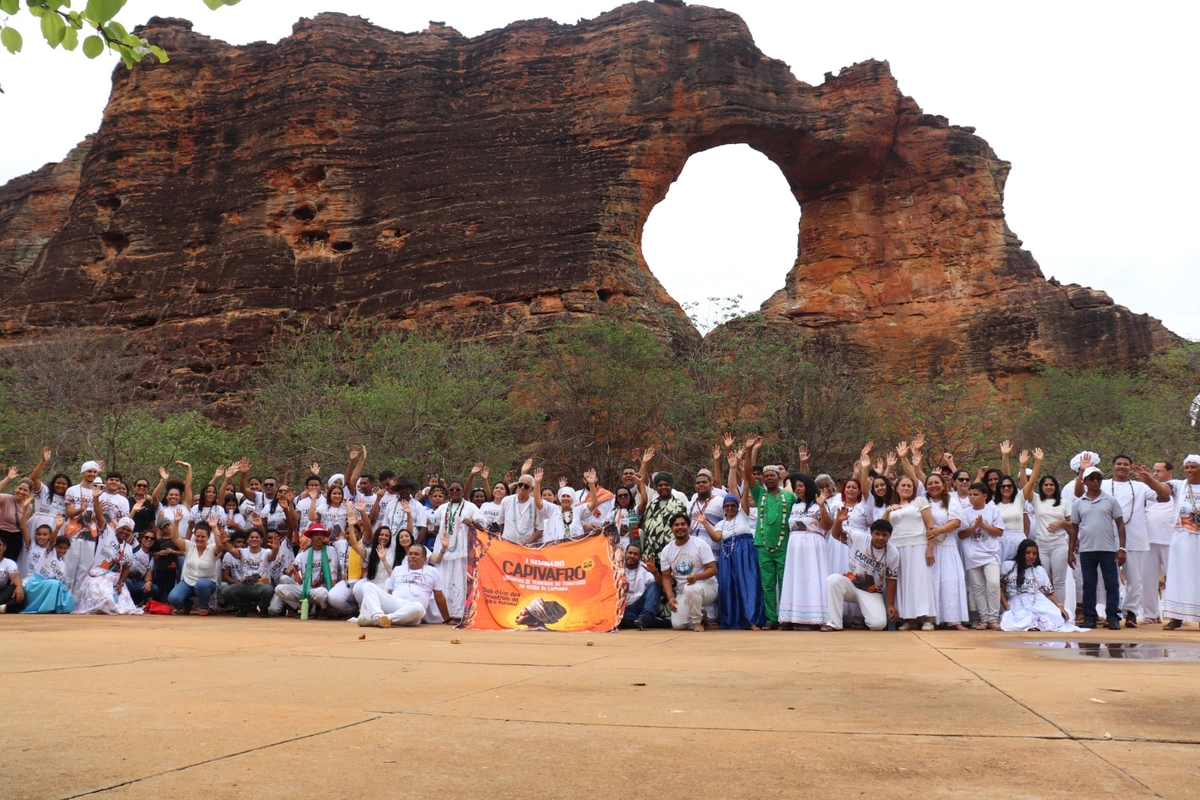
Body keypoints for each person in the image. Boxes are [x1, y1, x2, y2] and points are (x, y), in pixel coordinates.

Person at [1101, 455, 1170, 628]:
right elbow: (1081, 494)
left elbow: (1164, 497)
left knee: (1135, 579)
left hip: (1135, 538)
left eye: (1126, 464)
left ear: (1131, 468)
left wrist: (1149, 480)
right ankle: (1112, 612)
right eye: (1119, 464)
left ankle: (1130, 612)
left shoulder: (1140, 486)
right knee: (1109, 579)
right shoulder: (1102, 485)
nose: (1122, 467)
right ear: (1112, 466)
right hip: (1108, 538)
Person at [694, 483, 764, 631]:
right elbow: (715, 537)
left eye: (733, 505)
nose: (730, 508)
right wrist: (704, 522)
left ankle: (751, 621)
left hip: (746, 556)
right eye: (727, 506)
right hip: (728, 558)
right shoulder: (721, 523)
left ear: (737, 506)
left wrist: (745, 477)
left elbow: (745, 494)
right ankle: (732, 619)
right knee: (730, 587)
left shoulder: (743, 516)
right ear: (723, 508)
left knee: (748, 586)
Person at [743, 436, 795, 630]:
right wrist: (749, 450)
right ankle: (772, 619)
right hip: (763, 546)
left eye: (773, 475)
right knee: (767, 584)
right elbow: (748, 472)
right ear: (763, 479)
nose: (769, 478)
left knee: (784, 582)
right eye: (766, 476)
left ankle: (786, 618)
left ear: (778, 477)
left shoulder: (789, 496)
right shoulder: (759, 494)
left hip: (784, 546)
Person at [1072, 459, 1127, 630]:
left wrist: (1122, 549)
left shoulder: (1110, 501)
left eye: (1098, 479)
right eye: (1092, 478)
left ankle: (1113, 617)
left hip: (1108, 549)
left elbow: (1120, 524)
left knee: (1111, 584)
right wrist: (1069, 551)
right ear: (1085, 481)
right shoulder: (1079, 503)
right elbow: (1074, 529)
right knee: (1089, 584)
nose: (1095, 481)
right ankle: (1090, 617)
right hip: (1087, 550)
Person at [823, 519, 899, 632]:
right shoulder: (859, 537)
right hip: (851, 584)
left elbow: (891, 579)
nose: (880, 538)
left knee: (878, 625)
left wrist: (891, 605)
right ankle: (834, 623)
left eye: (884, 535)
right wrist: (838, 520)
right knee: (833, 580)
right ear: (871, 533)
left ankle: (868, 615)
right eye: (877, 534)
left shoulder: (893, 553)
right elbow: (836, 534)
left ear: (890, 536)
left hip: (871, 591)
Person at [883, 474, 936, 631]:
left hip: (918, 546)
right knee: (904, 583)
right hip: (897, 548)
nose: (906, 488)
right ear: (897, 488)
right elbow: (882, 527)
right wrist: (887, 511)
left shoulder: (920, 501)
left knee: (920, 581)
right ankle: (910, 619)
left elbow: (930, 526)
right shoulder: (892, 506)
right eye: (903, 485)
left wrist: (930, 548)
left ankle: (928, 619)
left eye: (909, 486)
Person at [778, 474, 829, 630]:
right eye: (796, 486)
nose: (797, 488)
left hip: (813, 545)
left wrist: (821, 506)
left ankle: (816, 618)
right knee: (797, 580)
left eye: (801, 485)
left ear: (808, 486)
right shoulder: (794, 506)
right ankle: (795, 618)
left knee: (813, 579)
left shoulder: (818, 504)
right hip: (795, 547)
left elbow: (828, 526)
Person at [358, 543, 452, 627]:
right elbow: (389, 593)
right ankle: (378, 617)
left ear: (425, 558)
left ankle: (384, 619)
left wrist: (447, 619)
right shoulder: (398, 569)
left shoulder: (432, 571)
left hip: (412, 612)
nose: (412, 556)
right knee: (367, 586)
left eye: (416, 554)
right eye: (410, 554)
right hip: (395, 604)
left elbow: (439, 597)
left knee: (418, 607)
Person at [1023, 448, 1073, 606]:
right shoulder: (1037, 500)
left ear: (1056, 487)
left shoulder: (1064, 503)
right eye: (1046, 485)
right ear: (1041, 487)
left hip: (1059, 544)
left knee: (1058, 581)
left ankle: (1061, 611)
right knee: (1042, 579)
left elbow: (1072, 526)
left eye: (1052, 485)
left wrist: (1061, 523)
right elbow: (1026, 486)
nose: (1049, 487)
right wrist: (1032, 463)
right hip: (1041, 546)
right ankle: (1045, 610)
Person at [428, 481, 484, 619]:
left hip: (462, 550)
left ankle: (459, 613)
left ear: (462, 491)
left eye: (457, 489)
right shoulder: (442, 508)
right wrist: (430, 523)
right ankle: (440, 615)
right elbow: (433, 527)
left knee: (460, 581)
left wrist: (472, 522)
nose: (454, 492)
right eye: (452, 489)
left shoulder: (470, 507)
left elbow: (482, 525)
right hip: (444, 549)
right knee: (442, 579)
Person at [999, 539, 1080, 632]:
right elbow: (1001, 589)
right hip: (1016, 601)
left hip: (1037, 600)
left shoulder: (1039, 569)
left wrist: (1060, 606)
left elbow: (1049, 594)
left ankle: (1037, 625)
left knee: (1059, 616)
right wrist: (1006, 606)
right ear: (1021, 553)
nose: (1031, 556)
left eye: (1034, 554)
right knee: (1019, 618)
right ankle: (1034, 625)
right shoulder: (1009, 566)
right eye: (1028, 553)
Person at [922, 473, 969, 629]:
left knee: (951, 581)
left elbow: (956, 522)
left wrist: (939, 530)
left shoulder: (952, 501)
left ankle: (954, 620)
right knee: (931, 582)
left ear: (943, 484)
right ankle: (929, 619)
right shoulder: (922, 502)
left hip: (948, 547)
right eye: (930, 483)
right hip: (929, 547)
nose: (933, 486)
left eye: (937, 482)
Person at [955, 482, 1005, 630]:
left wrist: (983, 526)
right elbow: (961, 534)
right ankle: (984, 619)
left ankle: (993, 619)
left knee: (993, 584)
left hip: (991, 554)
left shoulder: (993, 510)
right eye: (970, 495)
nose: (972, 497)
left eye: (975, 495)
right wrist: (975, 526)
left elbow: (999, 531)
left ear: (984, 496)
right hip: (972, 555)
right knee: (977, 587)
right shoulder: (965, 512)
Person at [658, 513, 718, 632]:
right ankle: (702, 614)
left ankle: (696, 622)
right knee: (677, 625)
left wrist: (696, 577)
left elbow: (713, 569)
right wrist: (670, 597)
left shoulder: (700, 544)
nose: (680, 527)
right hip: (683, 593)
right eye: (676, 525)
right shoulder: (667, 550)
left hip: (707, 588)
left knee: (691, 587)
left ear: (689, 527)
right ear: (671, 529)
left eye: (683, 524)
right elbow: (666, 577)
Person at [72, 515, 142, 615]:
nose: (125, 532)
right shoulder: (107, 533)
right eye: (123, 528)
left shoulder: (129, 548)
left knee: (125, 607)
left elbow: (126, 568)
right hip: (99, 575)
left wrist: (120, 583)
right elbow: (99, 515)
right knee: (105, 599)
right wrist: (96, 499)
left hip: (115, 580)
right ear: (117, 528)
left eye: (128, 530)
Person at [1163, 455, 1200, 630]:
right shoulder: (1179, 485)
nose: (1189, 470)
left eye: (1194, 467)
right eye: (1187, 467)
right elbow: (1162, 490)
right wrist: (1148, 479)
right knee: (1179, 576)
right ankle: (1176, 616)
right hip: (1182, 538)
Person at [272, 523, 339, 617]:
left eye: (321, 534)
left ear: (324, 537)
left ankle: (323, 609)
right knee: (279, 589)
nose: (319, 537)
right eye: (316, 535)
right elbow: (296, 563)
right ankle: (302, 607)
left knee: (322, 593)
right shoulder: (304, 552)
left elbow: (334, 569)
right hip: (306, 588)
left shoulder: (331, 550)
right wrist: (292, 567)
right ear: (311, 537)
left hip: (322, 589)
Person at [166, 513, 224, 616]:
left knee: (201, 584)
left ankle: (204, 607)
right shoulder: (189, 546)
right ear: (194, 536)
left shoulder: (212, 548)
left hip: (207, 584)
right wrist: (176, 522)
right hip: (188, 582)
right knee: (173, 598)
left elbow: (220, 545)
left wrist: (214, 528)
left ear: (208, 537)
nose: (200, 539)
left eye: (203, 536)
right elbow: (175, 539)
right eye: (197, 536)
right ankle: (188, 605)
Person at [1141, 461, 1176, 622]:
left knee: (1175, 579)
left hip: (1171, 540)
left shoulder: (1177, 489)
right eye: (1154, 471)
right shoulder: (1146, 491)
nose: (1156, 474)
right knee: (1148, 579)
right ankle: (1150, 614)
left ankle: (1176, 615)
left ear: (1170, 472)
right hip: (1148, 540)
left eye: (1159, 471)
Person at [218, 524, 278, 617]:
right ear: (248, 540)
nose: (254, 539)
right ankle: (245, 607)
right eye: (252, 537)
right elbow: (232, 550)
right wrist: (225, 543)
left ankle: (263, 608)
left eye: (257, 537)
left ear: (261, 540)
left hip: (261, 587)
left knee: (269, 589)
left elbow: (272, 556)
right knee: (226, 591)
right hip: (245, 586)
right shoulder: (242, 552)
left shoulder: (266, 552)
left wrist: (276, 549)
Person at [20, 528, 75, 614]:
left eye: (65, 548)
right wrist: (57, 528)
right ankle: (47, 609)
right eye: (59, 547)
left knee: (64, 590)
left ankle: (57, 609)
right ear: (54, 547)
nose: (62, 550)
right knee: (54, 584)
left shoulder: (63, 564)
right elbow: (52, 541)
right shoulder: (49, 553)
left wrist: (67, 584)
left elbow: (61, 580)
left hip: (48, 586)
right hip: (36, 583)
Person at [618, 543, 661, 630]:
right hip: (625, 608)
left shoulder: (645, 567)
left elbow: (660, 585)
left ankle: (645, 617)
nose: (632, 556)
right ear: (625, 554)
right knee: (621, 618)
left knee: (654, 585)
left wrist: (655, 572)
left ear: (640, 556)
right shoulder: (617, 567)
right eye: (630, 553)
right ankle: (648, 621)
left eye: (635, 554)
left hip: (642, 604)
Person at [500, 473, 542, 545]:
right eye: (520, 484)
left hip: (526, 548)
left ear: (531, 489)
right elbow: (501, 522)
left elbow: (540, 529)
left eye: (526, 486)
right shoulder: (506, 500)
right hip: (506, 544)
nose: (522, 487)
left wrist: (528, 542)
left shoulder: (535, 504)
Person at [0, 536, 25, 613]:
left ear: (4, 547)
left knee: (15, 589)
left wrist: (19, 587)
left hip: (1, 592)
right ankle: (5, 607)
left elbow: (14, 575)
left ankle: (4, 607)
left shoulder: (9, 562)